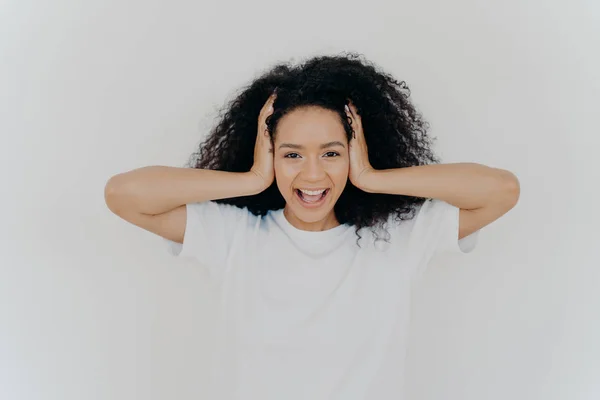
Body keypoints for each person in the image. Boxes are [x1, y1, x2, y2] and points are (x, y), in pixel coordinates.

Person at [104, 53, 520, 399]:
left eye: (332, 153)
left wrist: (373, 177)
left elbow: (501, 189)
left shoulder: (399, 236)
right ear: (268, 157)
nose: (313, 175)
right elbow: (124, 194)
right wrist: (249, 180)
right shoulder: (233, 235)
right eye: (291, 155)